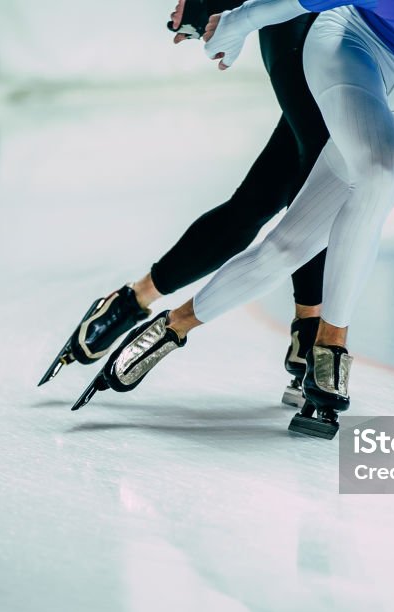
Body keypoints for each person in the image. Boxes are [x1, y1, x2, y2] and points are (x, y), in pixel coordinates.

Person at [72, 0, 394, 438]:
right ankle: (323, 343)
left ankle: (170, 326)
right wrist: (224, 12)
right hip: (335, 40)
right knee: (372, 169)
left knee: (287, 228)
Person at [39, 0, 329, 407]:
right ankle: (311, 333)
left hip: (364, 32)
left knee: (262, 197)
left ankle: (134, 299)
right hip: (297, 18)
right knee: (319, 160)